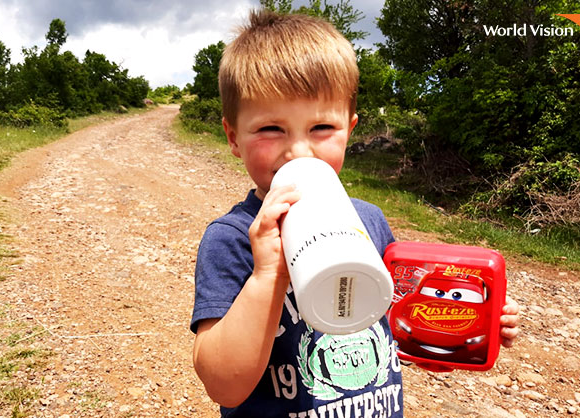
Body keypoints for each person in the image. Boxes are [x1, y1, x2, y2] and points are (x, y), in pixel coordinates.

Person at [190, 9, 520, 418]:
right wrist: (266, 276)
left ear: (350, 128)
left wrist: (469, 327)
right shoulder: (235, 238)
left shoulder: (370, 221)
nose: (299, 151)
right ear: (233, 137)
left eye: (322, 128)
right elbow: (224, 385)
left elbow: (399, 326)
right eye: (271, 129)